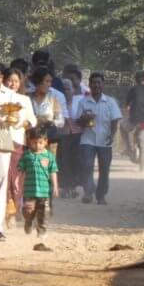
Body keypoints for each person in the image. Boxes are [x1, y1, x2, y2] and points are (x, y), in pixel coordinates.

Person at [0, 62, 36, 240]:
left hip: (3, 138)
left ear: (0, 79)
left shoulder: (17, 98)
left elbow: (30, 120)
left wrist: (19, 122)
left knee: (1, 181)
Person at [72, 73, 122, 206]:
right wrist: (84, 119)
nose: (96, 85)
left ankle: (101, 196)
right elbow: (78, 121)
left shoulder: (110, 102)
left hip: (105, 141)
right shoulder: (83, 101)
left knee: (104, 169)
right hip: (87, 139)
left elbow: (115, 119)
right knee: (87, 166)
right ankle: (88, 193)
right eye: (93, 82)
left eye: (99, 82)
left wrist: (112, 135)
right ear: (89, 85)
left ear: (103, 85)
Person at [19, 127, 59, 245]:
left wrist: (55, 186)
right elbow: (20, 172)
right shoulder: (26, 156)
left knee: (44, 212)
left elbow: (53, 171)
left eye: (40, 142)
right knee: (28, 210)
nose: (37, 145)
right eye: (34, 142)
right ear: (29, 142)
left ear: (46, 142)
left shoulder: (49, 156)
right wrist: (18, 186)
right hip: (29, 191)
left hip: (44, 191)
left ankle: (42, 230)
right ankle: (28, 222)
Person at [59, 65, 86, 197]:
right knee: (65, 161)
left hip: (78, 135)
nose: (66, 92)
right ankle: (66, 186)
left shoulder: (80, 100)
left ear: (73, 89)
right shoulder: (58, 101)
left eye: (68, 89)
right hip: (63, 135)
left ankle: (74, 186)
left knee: (76, 161)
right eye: (64, 89)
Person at [29, 67, 65, 154]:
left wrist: (51, 121)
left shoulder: (52, 100)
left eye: (50, 82)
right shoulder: (27, 98)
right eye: (47, 81)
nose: (49, 85)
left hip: (48, 141)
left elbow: (61, 121)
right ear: (38, 82)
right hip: (30, 140)